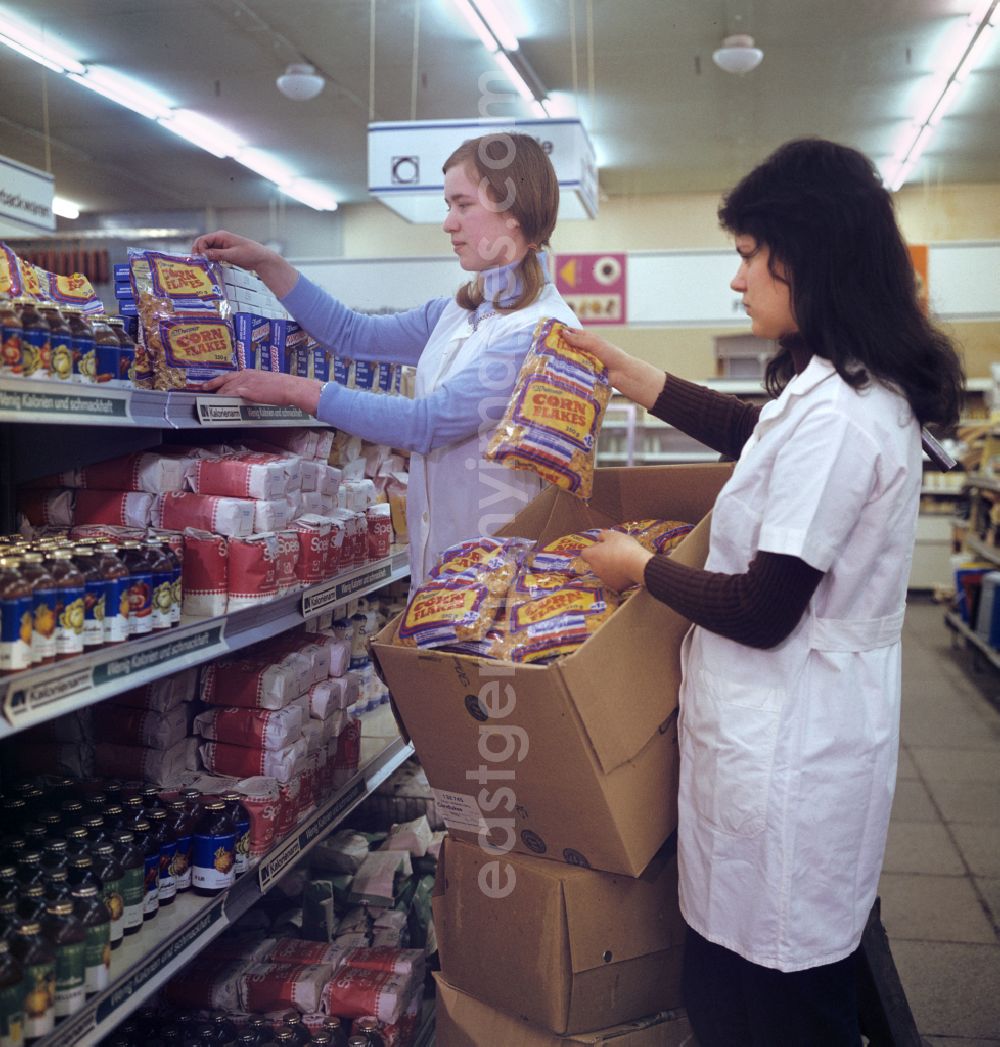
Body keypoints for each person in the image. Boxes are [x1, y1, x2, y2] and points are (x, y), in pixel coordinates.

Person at [562, 137, 965, 1046]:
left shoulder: (845, 414)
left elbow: (763, 608)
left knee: (779, 1003)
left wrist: (638, 570)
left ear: (806, 256)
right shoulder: (834, 384)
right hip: (774, 738)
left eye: (748, 254)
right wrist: (636, 378)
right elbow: (756, 431)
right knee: (735, 978)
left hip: (793, 749)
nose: (735, 280)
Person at [192, 132, 577, 584]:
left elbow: (426, 424)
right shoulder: (458, 313)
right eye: (447, 205)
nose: (448, 224)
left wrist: (294, 389)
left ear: (512, 214)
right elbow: (352, 334)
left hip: (495, 580)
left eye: (463, 205)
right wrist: (267, 264)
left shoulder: (539, 331)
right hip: (440, 572)